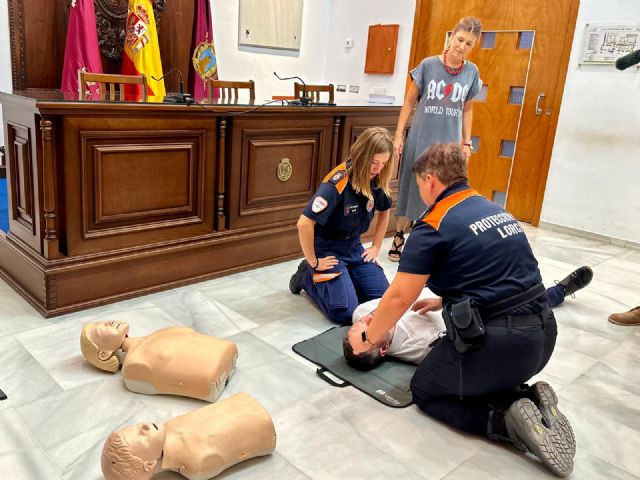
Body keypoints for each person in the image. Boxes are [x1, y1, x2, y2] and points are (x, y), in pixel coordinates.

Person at [347, 143, 575, 476]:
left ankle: (504, 423)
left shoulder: (433, 224)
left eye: (420, 185)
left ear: (430, 180)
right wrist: (443, 299)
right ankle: (528, 399)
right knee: (469, 372)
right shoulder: (492, 208)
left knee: (427, 389)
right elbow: (501, 272)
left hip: (504, 346)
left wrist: (367, 335)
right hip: (545, 338)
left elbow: (398, 298)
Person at [389, 16, 483, 261]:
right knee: (411, 187)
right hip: (421, 137)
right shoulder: (428, 65)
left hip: (449, 143)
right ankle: (399, 235)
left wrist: (466, 142)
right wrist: (399, 135)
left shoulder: (472, 72)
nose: (462, 46)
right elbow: (409, 102)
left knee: (444, 192)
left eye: (469, 43)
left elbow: (468, 108)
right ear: (451, 36)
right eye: (460, 39)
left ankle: (430, 242)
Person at [289, 127, 394, 324]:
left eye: (383, 163)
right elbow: (304, 223)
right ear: (361, 155)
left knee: (381, 301)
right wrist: (314, 261)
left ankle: (346, 281)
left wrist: (376, 246)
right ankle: (307, 275)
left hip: (354, 247)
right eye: (374, 162)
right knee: (345, 313)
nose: (378, 169)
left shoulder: (378, 178)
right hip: (328, 249)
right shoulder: (338, 182)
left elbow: (385, 211)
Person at [101, 392, 277, 480]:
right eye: (142, 436)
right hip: (260, 424)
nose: (144, 425)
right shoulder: (195, 465)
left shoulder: (167, 430)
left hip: (240, 403)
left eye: (135, 427)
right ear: (148, 465)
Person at [81, 321, 237, 402]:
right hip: (214, 373)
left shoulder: (152, 338)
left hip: (223, 354)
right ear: (103, 354)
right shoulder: (134, 365)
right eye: (99, 329)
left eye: (101, 322)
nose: (107, 322)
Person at [343, 289, 445, 370]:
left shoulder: (361, 312)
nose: (369, 318)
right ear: (384, 348)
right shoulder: (423, 346)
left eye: (360, 322)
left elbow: (399, 293)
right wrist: (444, 302)